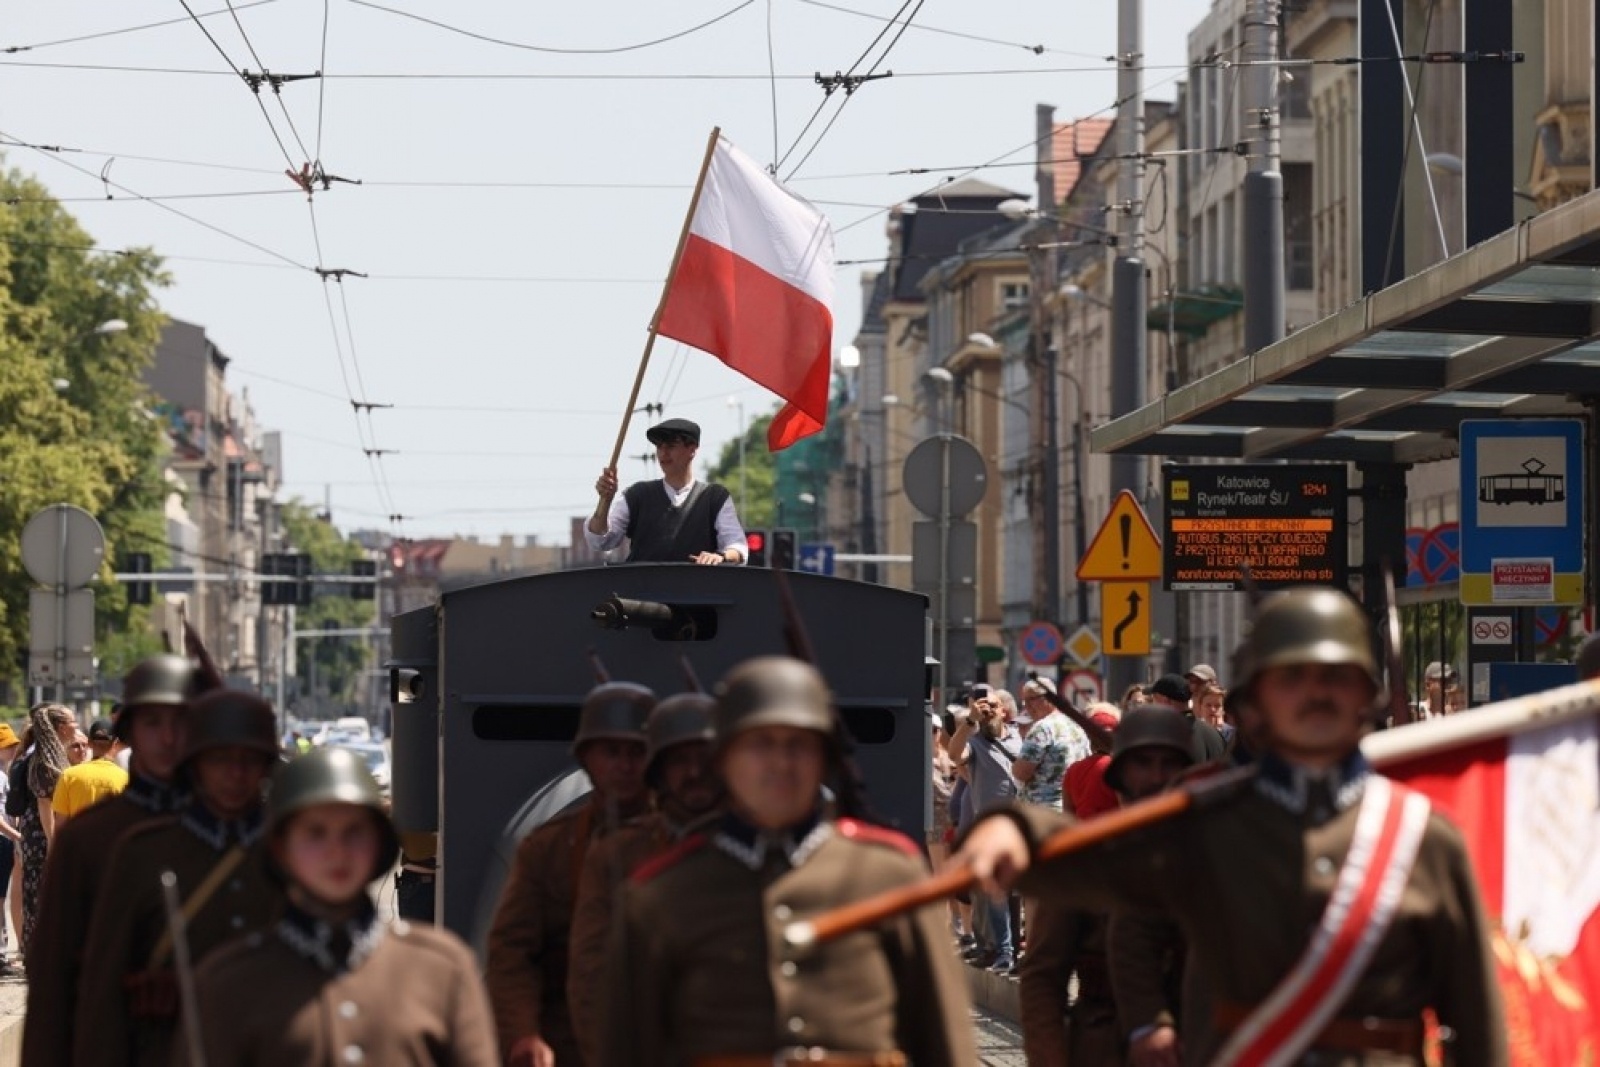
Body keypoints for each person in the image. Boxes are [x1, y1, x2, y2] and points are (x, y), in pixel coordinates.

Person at [956, 586, 1507, 1065]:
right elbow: (1104, 862)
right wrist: (1018, 831)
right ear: (1257, 702)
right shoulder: (1205, 822)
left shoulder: (1424, 837)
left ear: (1368, 696)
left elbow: (1478, 1021)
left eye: (1338, 677)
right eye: (1292, 678)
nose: (1317, 693)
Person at [601, 656, 976, 1067]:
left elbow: (943, 1041)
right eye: (760, 744)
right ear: (724, 760)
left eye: (799, 745)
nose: (781, 763)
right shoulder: (660, 897)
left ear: (824, 758)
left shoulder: (889, 874)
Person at [178, 747, 499, 1066]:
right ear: (280, 848)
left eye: (354, 832)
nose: (337, 853)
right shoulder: (229, 981)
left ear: (379, 843)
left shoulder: (442, 968)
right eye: (315, 833)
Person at [74, 689, 285, 1067]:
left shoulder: (287, 850)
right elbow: (96, 983)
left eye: (249, 761)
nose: (235, 773)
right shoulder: (138, 846)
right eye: (221, 759)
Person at [24, 656, 195, 1067]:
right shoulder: (85, 839)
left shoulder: (225, 830)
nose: (167, 737)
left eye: (180, 722)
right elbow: (53, 977)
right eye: (153, 723)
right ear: (131, 732)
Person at [486, 680, 654, 1067]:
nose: (625, 766)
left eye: (637, 752)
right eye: (611, 752)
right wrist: (523, 1033)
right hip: (567, 1040)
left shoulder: (677, 840)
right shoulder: (548, 848)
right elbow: (511, 952)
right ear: (587, 757)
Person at [1020, 705, 1196, 1067]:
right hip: (1102, 1045)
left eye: (1169, 763)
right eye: (1142, 763)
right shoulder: (1086, 863)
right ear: (1119, 775)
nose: (1155, 776)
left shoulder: (1212, 853)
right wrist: (1049, 1058)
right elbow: (1043, 977)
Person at [568, 691, 724, 1063]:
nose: (694, 773)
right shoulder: (617, 855)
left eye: (706, 760)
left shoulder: (759, 849)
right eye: (680, 761)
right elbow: (592, 978)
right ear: (658, 773)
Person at [586, 417, 749, 565]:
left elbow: (737, 547)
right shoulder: (637, 495)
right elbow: (601, 541)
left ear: (692, 449)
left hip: (699, 592)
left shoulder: (715, 497)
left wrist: (722, 556)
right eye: (659, 447)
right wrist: (605, 500)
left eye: (671, 446)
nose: (663, 454)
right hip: (641, 593)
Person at [946, 683, 1021, 973]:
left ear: (1004, 710)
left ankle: (1014, 947)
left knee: (1018, 893)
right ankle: (1003, 951)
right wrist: (970, 721)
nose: (988, 710)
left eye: (992, 705)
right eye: (982, 706)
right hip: (989, 829)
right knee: (997, 891)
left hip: (1020, 826)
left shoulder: (1019, 738)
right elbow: (954, 756)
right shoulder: (974, 741)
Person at [18, 703, 75, 953]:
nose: (76, 726)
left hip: (46, 836)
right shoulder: (43, 760)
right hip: (42, 838)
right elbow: (44, 804)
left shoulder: (55, 756)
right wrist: (53, 843)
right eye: (73, 722)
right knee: (39, 897)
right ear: (61, 728)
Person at [1012, 676, 1091, 812]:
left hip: (1042, 811)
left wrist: (1014, 767)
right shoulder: (1075, 724)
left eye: (1031, 699)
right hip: (1071, 807)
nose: (1027, 706)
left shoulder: (1042, 728)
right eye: (1024, 701)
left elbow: (1022, 772)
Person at [51, 719, 129, 823]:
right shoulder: (125, 779)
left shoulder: (69, 776)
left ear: (89, 743)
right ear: (115, 743)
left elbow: (60, 823)